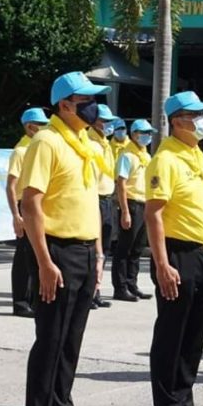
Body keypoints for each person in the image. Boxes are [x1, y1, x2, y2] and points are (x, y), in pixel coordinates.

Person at [18, 71, 110, 406]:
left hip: (84, 251)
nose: (93, 106)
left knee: (70, 345)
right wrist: (44, 261)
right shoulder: (47, 141)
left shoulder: (83, 143)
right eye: (85, 100)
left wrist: (98, 255)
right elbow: (31, 203)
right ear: (64, 104)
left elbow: (89, 203)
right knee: (50, 343)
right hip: (57, 250)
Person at [145, 91, 203, 406]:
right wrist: (162, 264)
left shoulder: (198, 156)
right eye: (197, 114)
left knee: (194, 334)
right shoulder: (166, 159)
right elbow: (154, 214)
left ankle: (185, 400)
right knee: (172, 333)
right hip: (178, 254)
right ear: (177, 121)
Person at [6, 108, 49, 318]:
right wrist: (16, 215)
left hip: (39, 203)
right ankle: (20, 302)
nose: (44, 128)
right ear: (30, 126)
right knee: (24, 256)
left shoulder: (38, 147)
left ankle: (32, 299)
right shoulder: (21, 151)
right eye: (41, 124)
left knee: (35, 254)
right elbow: (11, 185)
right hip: (24, 204)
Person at [113, 118, 157, 301]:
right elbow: (121, 184)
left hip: (144, 203)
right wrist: (125, 211)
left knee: (138, 248)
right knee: (125, 248)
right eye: (145, 133)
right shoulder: (127, 155)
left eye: (149, 133)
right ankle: (120, 287)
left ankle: (132, 284)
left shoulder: (145, 156)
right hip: (131, 203)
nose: (148, 136)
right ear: (134, 134)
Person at [87, 104, 120, 309]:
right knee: (94, 248)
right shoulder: (91, 144)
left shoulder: (105, 144)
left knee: (106, 247)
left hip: (107, 199)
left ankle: (96, 290)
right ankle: (89, 291)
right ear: (93, 121)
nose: (108, 125)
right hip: (95, 199)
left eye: (110, 121)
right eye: (104, 121)